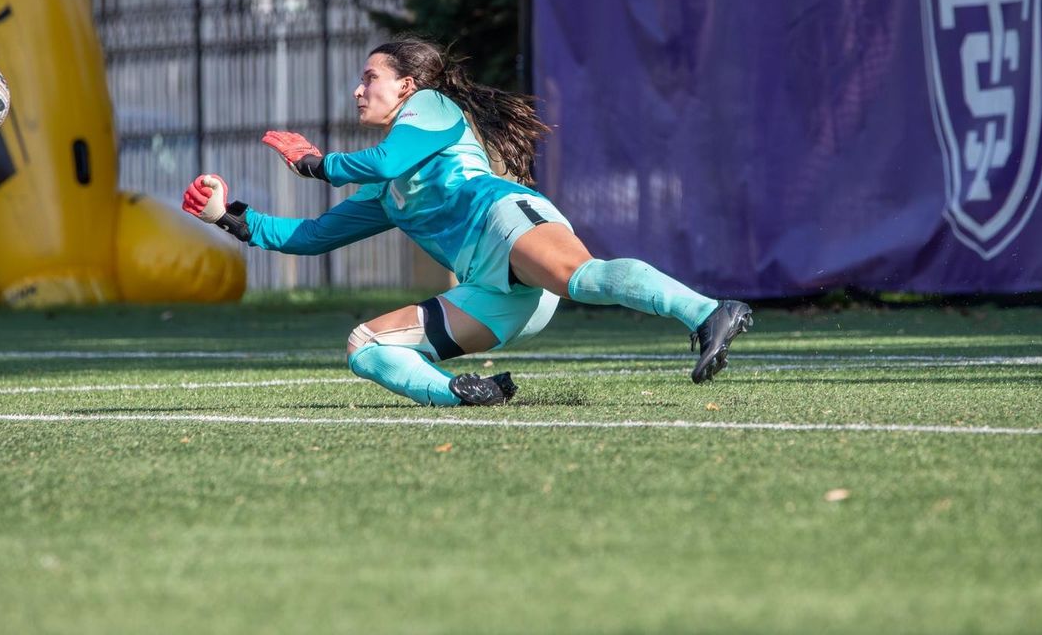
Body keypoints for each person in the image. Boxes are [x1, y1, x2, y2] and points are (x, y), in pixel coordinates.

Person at [182, 38, 751, 407]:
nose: (359, 89)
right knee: (365, 346)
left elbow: (385, 159)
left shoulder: (429, 107)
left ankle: (707, 312)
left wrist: (315, 163)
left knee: (583, 277)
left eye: (370, 77)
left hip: (504, 219)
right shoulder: (387, 195)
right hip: (490, 288)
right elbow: (308, 238)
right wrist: (228, 217)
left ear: (407, 84)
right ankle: (464, 393)